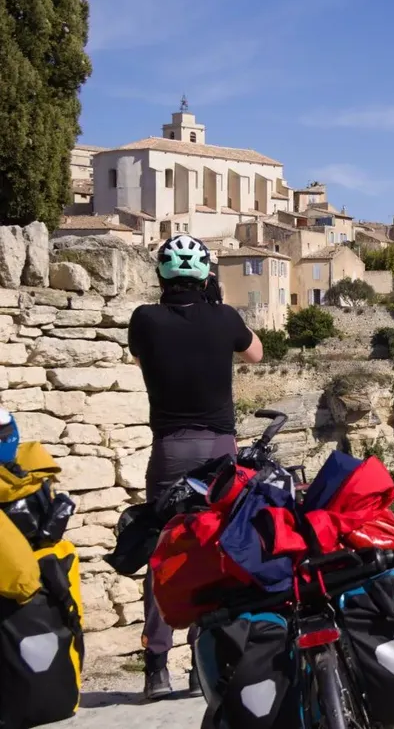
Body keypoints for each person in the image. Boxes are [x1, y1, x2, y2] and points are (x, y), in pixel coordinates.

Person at [127, 234, 264, 700]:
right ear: (206, 275)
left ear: (162, 277)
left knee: (164, 552)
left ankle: (156, 667)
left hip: (170, 449)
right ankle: (204, 660)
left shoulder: (144, 319)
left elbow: (143, 358)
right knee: (217, 548)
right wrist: (216, 306)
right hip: (219, 450)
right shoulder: (224, 318)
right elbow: (256, 353)